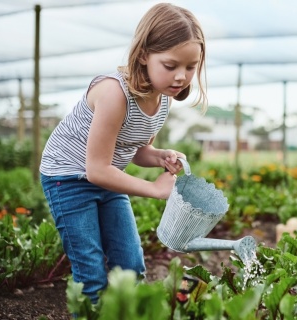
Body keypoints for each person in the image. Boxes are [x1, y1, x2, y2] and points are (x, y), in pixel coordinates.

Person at [39, 3, 207, 304]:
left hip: (106, 179)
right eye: (171, 66)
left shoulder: (162, 99)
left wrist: (159, 156)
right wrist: (155, 189)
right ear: (143, 54)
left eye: (190, 67)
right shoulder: (114, 94)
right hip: (68, 179)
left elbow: (136, 150)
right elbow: (97, 169)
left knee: (130, 265)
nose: (181, 77)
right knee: (91, 273)